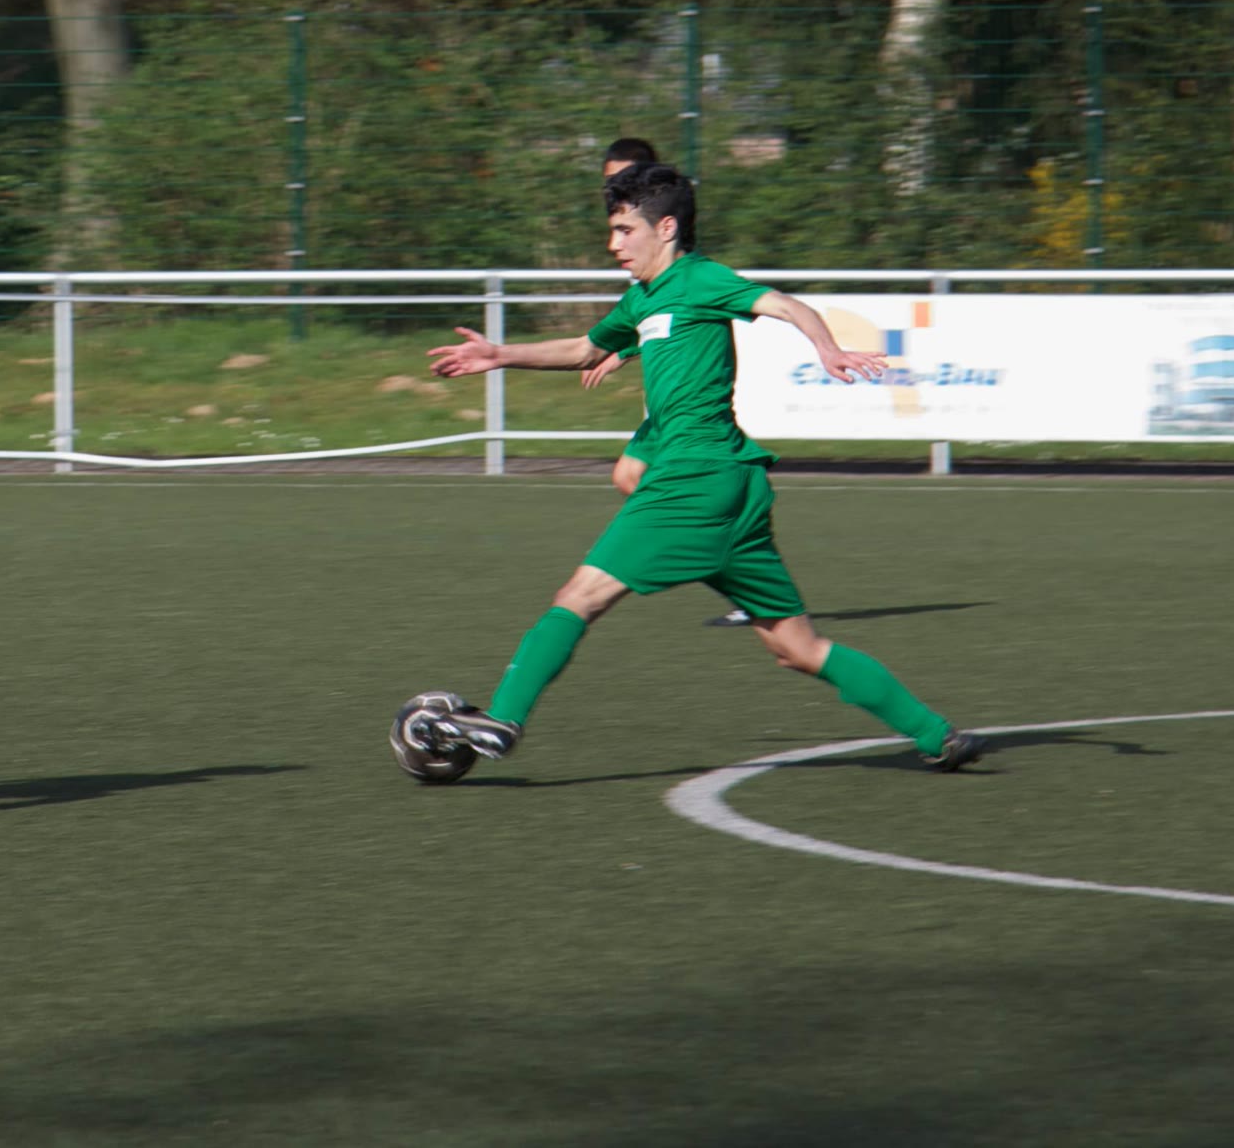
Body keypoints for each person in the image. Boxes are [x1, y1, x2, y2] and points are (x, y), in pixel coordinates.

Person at [410, 164, 984, 771]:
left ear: (666, 227)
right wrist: (500, 354)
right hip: (735, 485)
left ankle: (505, 718)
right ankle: (936, 734)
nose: (613, 243)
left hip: (693, 477)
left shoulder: (701, 277)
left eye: (624, 230)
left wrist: (827, 348)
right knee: (797, 646)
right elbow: (585, 348)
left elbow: (784, 304)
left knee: (580, 595)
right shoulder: (641, 297)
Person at [595, 139, 750, 629]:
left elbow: (680, 314)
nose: (612, 184)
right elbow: (649, 317)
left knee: (641, 486)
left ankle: (726, 561)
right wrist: (618, 348)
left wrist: (623, 350)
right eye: (608, 177)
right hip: (664, 406)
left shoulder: (682, 261)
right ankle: (734, 570)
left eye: (621, 175)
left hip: (691, 409)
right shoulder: (635, 244)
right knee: (628, 477)